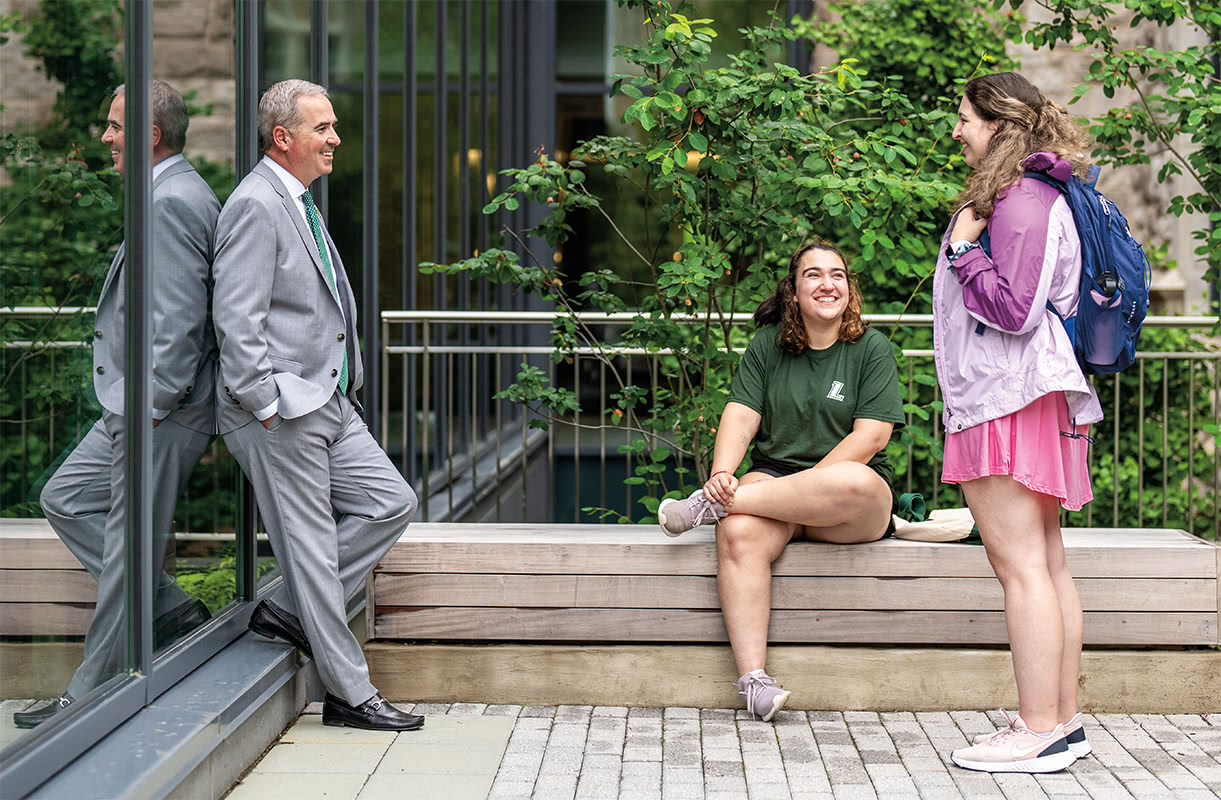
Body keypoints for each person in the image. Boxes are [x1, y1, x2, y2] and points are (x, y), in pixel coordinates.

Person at [212, 79, 422, 732]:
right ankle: (350, 694)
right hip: (283, 410)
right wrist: (266, 404)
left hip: (328, 401)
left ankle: (295, 612)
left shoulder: (296, 201)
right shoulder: (255, 204)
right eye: (323, 128)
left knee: (392, 502)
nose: (335, 139)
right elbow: (235, 318)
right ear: (284, 138)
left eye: (332, 127)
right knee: (307, 550)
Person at [16, 81, 219, 728]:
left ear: (148, 135)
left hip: (157, 408)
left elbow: (181, 319)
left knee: (130, 546)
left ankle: (87, 696)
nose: (105, 137)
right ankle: (167, 607)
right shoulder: (168, 192)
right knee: (66, 498)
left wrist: (152, 405)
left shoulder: (173, 201)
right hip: (137, 403)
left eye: (113, 126)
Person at [657, 241, 904, 721]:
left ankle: (717, 505)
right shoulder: (768, 345)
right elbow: (741, 415)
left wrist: (807, 487)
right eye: (813, 275)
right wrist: (723, 474)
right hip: (774, 485)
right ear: (794, 290)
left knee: (851, 480)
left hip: (851, 501)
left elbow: (872, 435)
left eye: (837, 275)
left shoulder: (870, 348)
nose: (826, 284)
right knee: (740, 530)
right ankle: (754, 681)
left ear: (849, 291)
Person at [935, 72, 1103, 774]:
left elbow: (1014, 309)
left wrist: (963, 251)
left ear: (999, 126)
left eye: (965, 118)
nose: (955, 129)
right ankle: (1059, 722)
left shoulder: (1021, 203)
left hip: (1005, 397)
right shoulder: (1032, 196)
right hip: (1024, 396)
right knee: (1045, 565)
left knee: (1022, 569)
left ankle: (1038, 728)